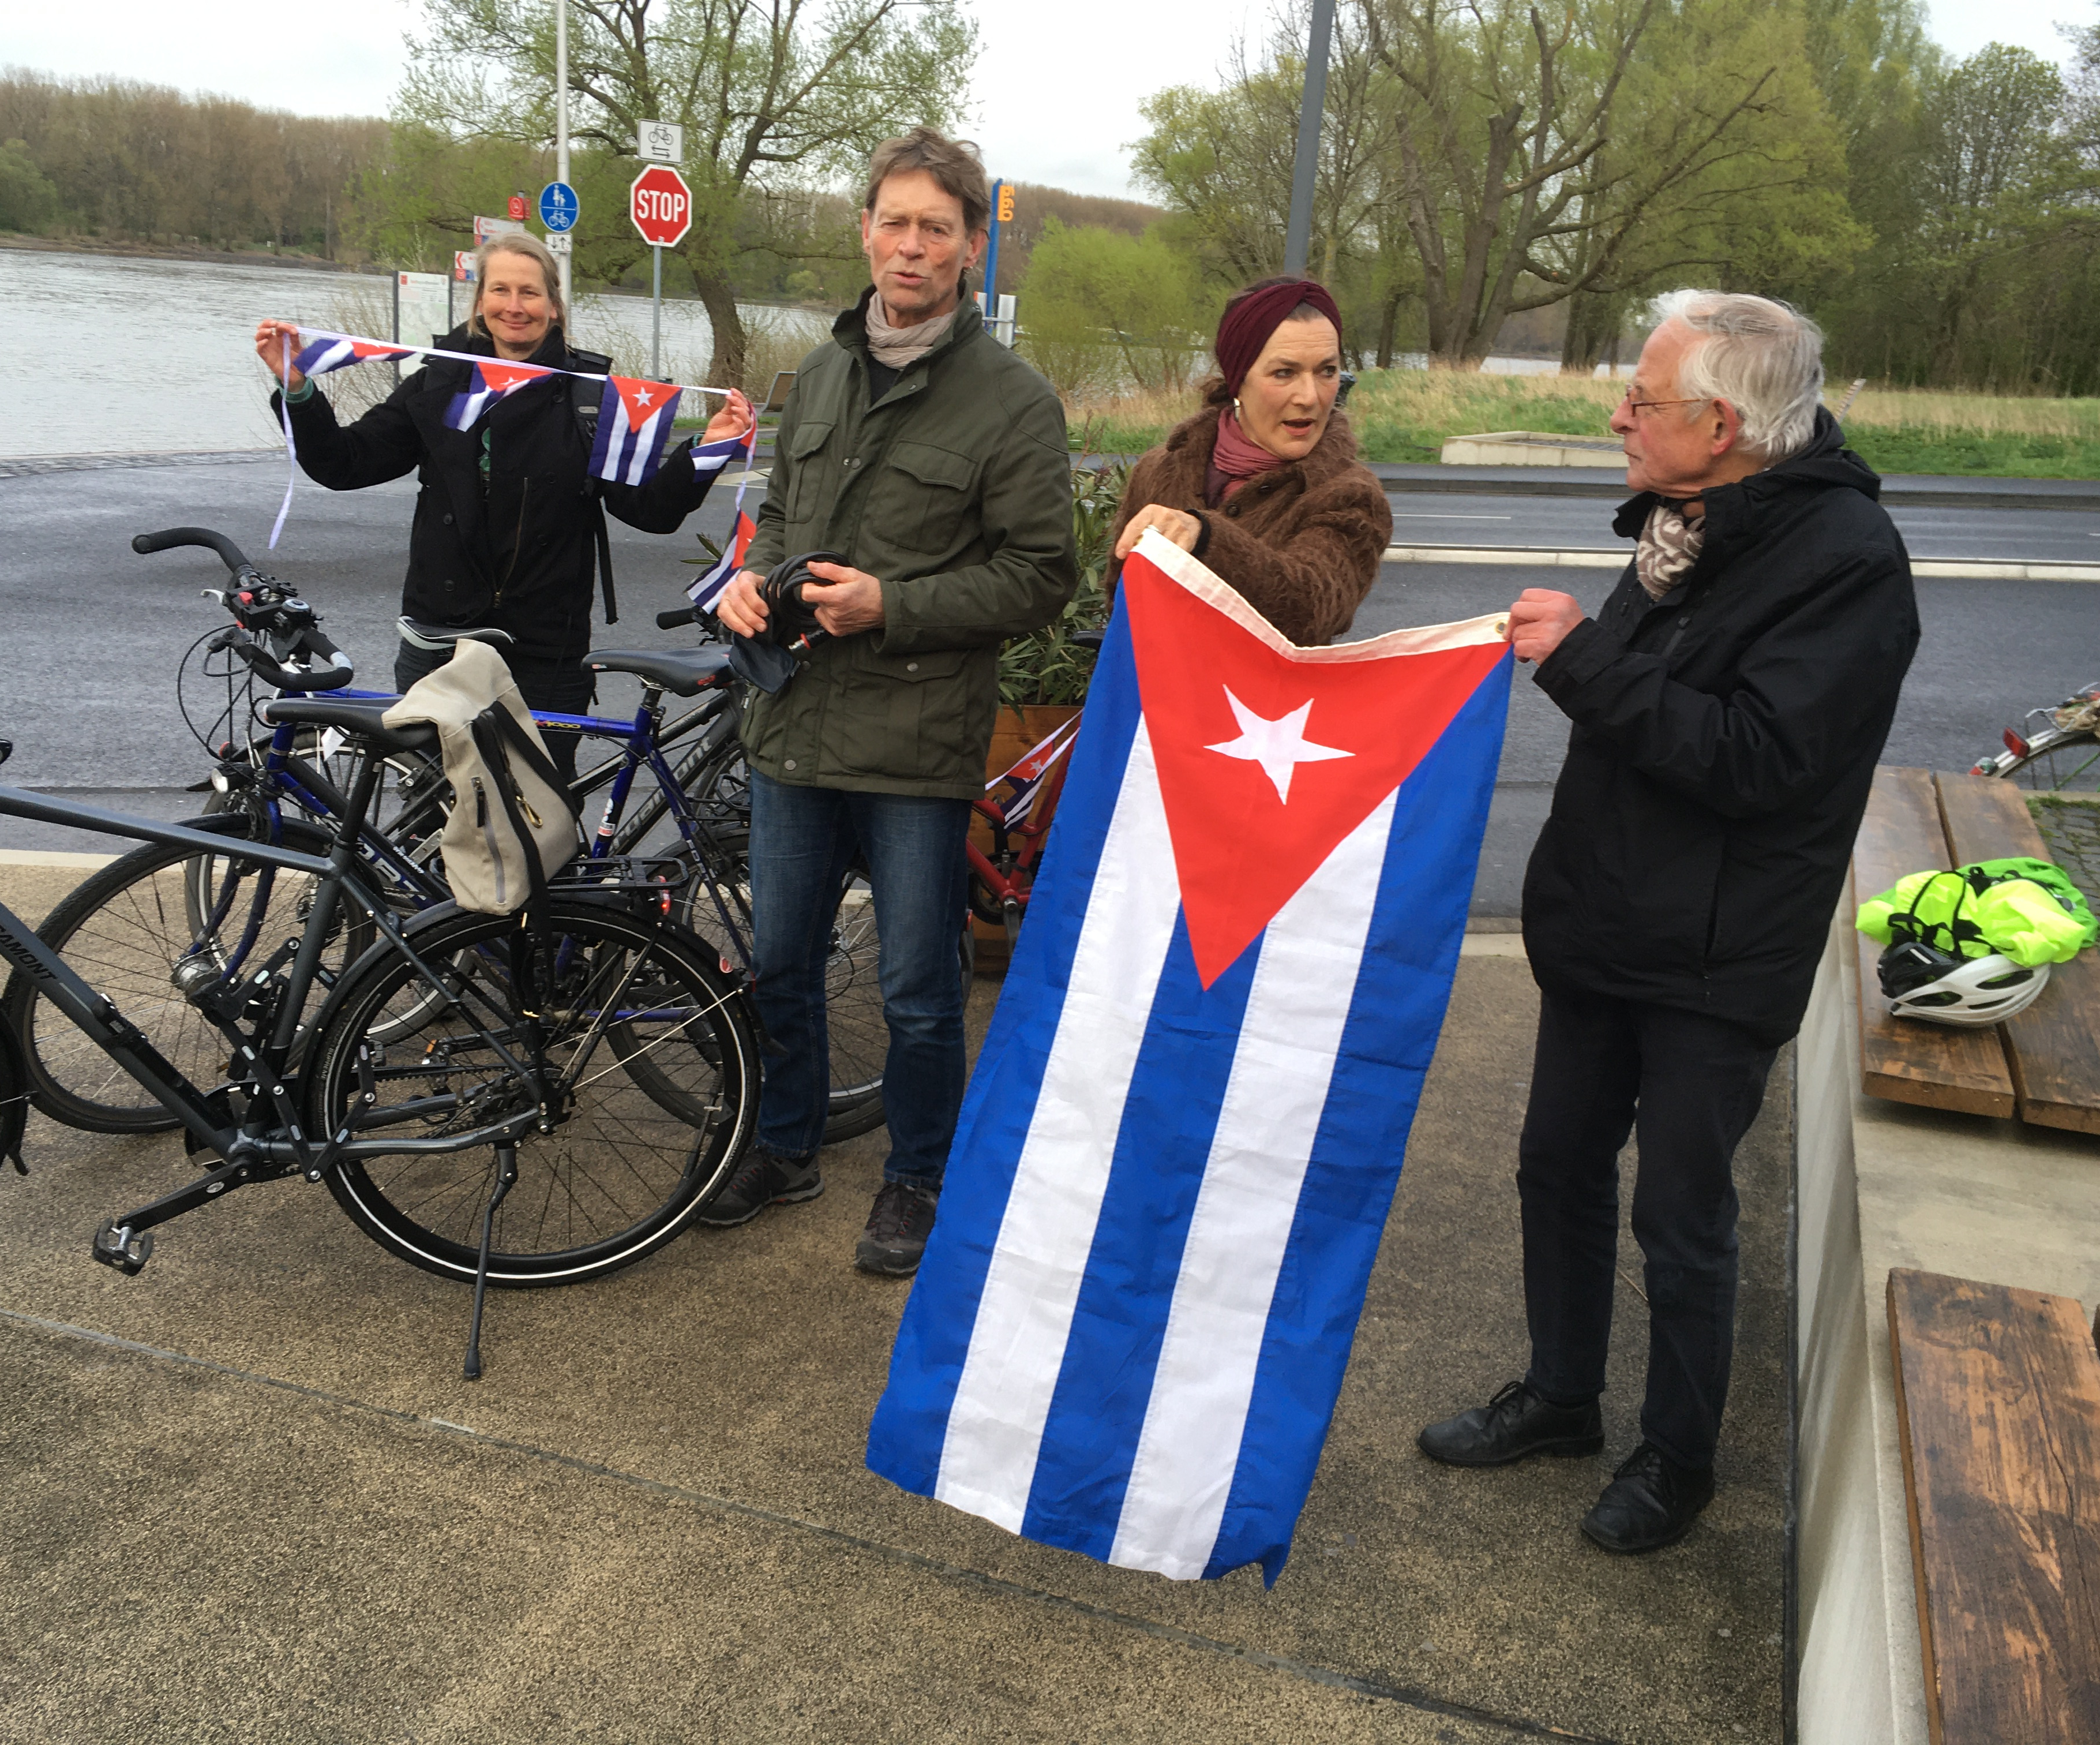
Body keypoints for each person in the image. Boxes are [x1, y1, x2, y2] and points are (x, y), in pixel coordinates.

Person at [1415, 291, 1919, 1553]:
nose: (1617, 416)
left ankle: (1677, 1460)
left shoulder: (1846, 561)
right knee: (1558, 1166)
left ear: (1729, 423)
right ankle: (1562, 1396)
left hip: (1715, 953)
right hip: (1608, 924)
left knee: (1682, 1215)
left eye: (1642, 402)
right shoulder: (1684, 524)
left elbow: (1757, 759)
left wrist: (1582, 662)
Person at [704, 128, 1078, 1275]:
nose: (910, 246)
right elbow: (776, 531)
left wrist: (893, 605)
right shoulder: (813, 375)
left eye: (936, 228)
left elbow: (1039, 577)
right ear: (864, 230)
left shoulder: (1013, 402)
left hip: (916, 742)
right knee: (781, 964)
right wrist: (744, 592)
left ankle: (918, 1177)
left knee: (919, 987)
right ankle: (786, 1145)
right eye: (893, 222)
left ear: (972, 247)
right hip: (795, 728)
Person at [254, 232, 753, 773]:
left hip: (544, 650)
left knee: (540, 829)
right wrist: (298, 389)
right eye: (500, 290)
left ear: (555, 306)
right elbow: (344, 464)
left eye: (530, 293)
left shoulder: (593, 399)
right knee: (435, 815)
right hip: (438, 638)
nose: (514, 307)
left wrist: (705, 449)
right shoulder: (438, 384)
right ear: (479, 304)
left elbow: (651, 511)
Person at [1107, 276, 1390, 644]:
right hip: (1156, 701)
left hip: (1273, 703)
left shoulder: (1351, 494)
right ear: (1238, 379)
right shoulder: (1161, 469)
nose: (1310, 396)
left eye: (1327, 371)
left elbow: (1310, 609)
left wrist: (1205, 537)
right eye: (1284, 373)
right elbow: (1122, 602)